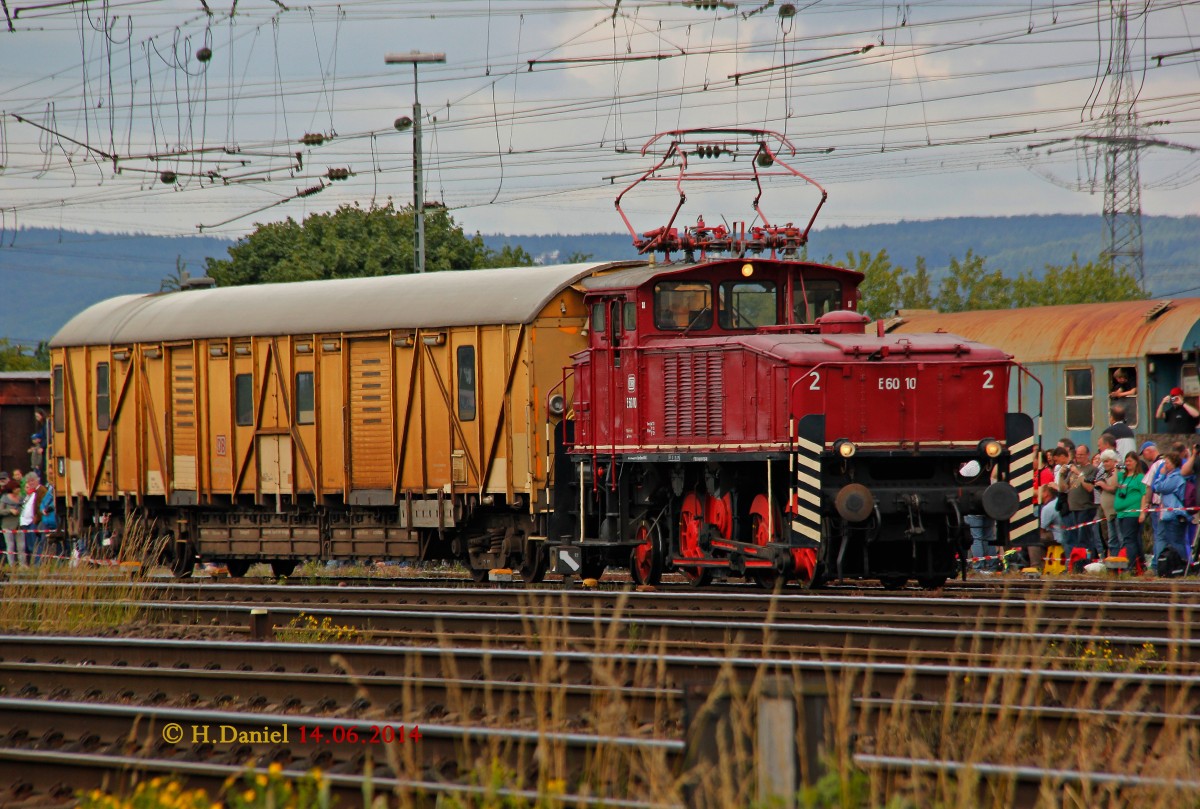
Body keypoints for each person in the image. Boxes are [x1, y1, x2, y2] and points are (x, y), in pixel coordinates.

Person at [1152, 451, 1192, 569]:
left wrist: (1161, 475)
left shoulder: (1176, 477)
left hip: (1175, 514)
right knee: (1162, 539)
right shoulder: (1171, 476)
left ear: (1174, 464)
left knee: (1176, 541)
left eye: (1167, 463)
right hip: (1166, 515)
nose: (1165, 466)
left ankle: (1183, 565)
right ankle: (1160, 566)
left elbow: (1159, 487)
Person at [1112, 452, 1146, 570]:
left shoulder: (1140, 477)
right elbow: (1114, 483)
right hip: (1121, 513)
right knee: (1131, 539)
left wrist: (1142, 511)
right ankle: (1140, 564)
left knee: (1129, 540)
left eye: (1130, 461)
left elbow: (1144, 494)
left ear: (1136, 462)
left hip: (1132, 513)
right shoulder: (1123, 477)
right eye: (1126, 461)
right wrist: (1116, 469)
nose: (1127, 463)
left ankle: (1130, 567)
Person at [17, 471, 42, 565]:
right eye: (29, 482)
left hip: (32, 522)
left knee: (35, 545)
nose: (30, 483)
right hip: (25, 523)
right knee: (29, 546)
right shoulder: (28, 495)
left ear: (37, 480)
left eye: (32, 481)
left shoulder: (38, 492)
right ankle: (33, 564)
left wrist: (37, 517)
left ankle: (37, 564)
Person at [1, 483, 23, 567]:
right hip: (7, 525)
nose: (18, 490)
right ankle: (11, 564)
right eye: (16, 488)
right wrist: (10, 511)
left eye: (18, 488)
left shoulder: (21, 498)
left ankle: (22, 564)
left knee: (21, 546)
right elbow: (1, 511)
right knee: (10, 545)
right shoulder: (4, 498)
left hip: (19, 525)